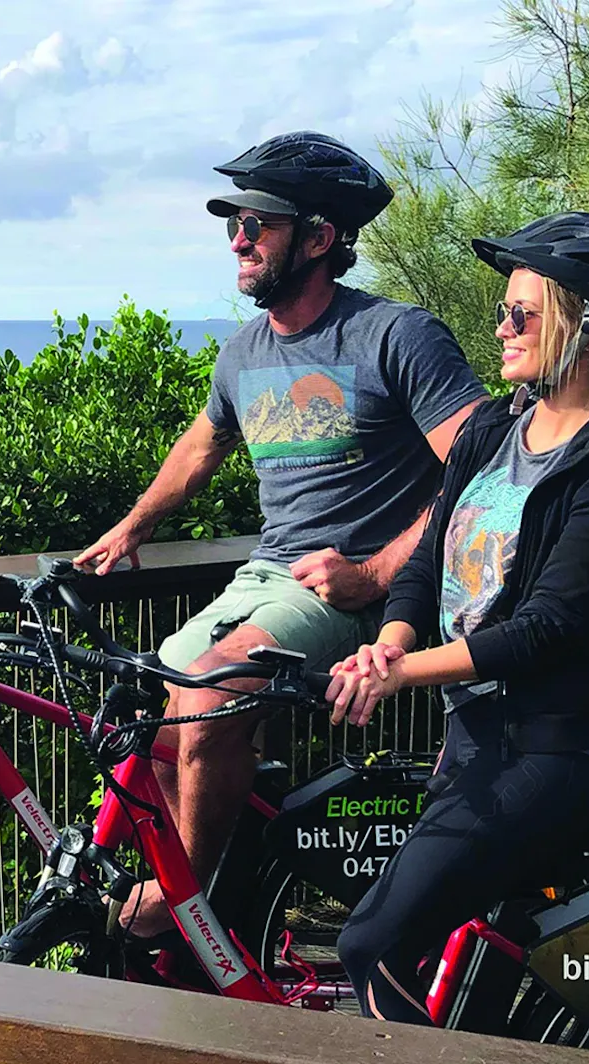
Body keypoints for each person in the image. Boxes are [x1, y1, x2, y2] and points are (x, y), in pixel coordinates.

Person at [74, 132, 488, 936]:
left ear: (320, 237)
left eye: (258, 222)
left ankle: (180, 904)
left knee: (207, 690)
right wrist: (130, 527)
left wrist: (375, 573)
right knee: (152, 708)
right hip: (269, 581)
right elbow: (200, 450)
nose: (238, 238)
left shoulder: (396, 336)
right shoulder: (245, 353)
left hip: (360, 594)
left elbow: (479, 471)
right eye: (234, 221)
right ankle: (226, 885)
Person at [326, 211, 589, 1022]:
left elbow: (553, 624)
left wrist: (397, 673)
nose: (500, 328)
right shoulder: (493, 429)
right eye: (501, 311)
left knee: (370, 945)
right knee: (468, 981)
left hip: (552, 754)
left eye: (520, 313)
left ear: (584, 326)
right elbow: (426, 564)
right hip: (474, 743)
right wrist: (390, 639)